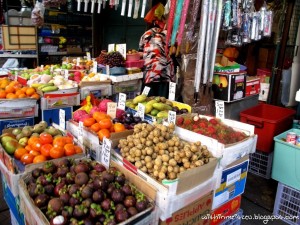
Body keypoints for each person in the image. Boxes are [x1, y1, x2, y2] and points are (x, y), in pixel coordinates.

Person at [138, 3, 174, 98]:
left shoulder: (145, 34)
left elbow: (140, 53)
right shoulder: (168, 35)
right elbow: (174, 51)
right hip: (164, 75)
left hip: (149, 75)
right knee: (163, 101)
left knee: (147, 101)